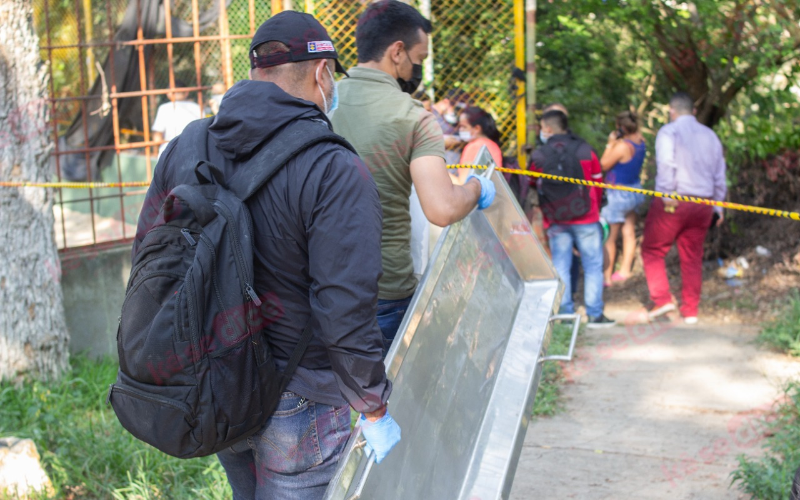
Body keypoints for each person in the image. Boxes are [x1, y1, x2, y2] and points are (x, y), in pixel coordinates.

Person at [135, 12, 400, 498]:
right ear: (323, 74)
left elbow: (150, 261)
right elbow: (344, 304)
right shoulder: (334, 167)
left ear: (256, 72)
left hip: (217, 375)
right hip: (302, 397)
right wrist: (372, 404)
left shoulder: (185, 147)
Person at [331, 0, 496, 356]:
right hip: (385, 289)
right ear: (397, 52)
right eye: (418, 60)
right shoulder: (413, 117)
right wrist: (476, 187)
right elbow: (441, 209)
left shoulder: (322, 102)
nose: (417, 70)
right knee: (383, 402)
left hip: (323, 287)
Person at [642, 92, 726, 324]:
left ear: (671, 111)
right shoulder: (710, 135)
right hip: (704, 203)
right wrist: (719, 206)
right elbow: (720, 174)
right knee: (692, 256)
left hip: (675, 199)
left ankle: (662, 300)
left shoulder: (669, 132)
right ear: (694, 111)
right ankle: (690, 310)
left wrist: (667, 193)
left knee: (652, 250)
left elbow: (666, 163)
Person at [529, 110, 615, 328]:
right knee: (593, 265)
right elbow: (597, 185)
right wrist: (595, 211)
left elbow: (532, 184)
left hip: (555, 219)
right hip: (586, 218)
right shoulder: (586, 150)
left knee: (561, 264)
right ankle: (595, 314)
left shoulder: (540, 155)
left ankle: (566, 315)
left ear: (547, 128)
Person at [600, 110, 646, 286]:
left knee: (610, 236)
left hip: (618, 194)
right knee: (629, 231)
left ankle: (606, 276)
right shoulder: (641, 141)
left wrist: (609, 144)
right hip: (634, 190)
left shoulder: (621, 147)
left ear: (621, 127)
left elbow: (603, 164)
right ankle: (625, 270)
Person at [151, 79, 202, 158]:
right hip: (194, 151)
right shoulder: (197, 107)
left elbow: (157, 136)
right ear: (186, 92)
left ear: (168, 93)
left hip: (169, 152)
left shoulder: (164, 108)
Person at [432, 89, 470, 164]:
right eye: (457, 108)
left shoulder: (452, 120)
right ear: (446, 102)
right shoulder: (430, 114)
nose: (458, 112)